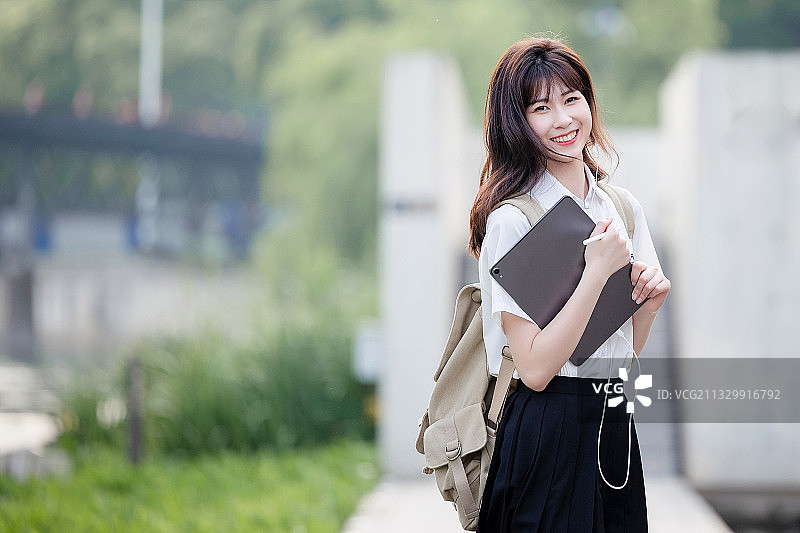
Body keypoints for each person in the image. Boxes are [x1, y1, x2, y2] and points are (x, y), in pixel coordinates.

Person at [469, 36, 670, 532]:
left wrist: (647, 306)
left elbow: (619, 352)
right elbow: (536, 369)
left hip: (612, 418)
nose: (563, 120)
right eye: (541, 107)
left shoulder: (621, 209)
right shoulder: (513, 221)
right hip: (544, 423)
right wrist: (598, 272)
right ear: (515, 121)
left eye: (571, 99)